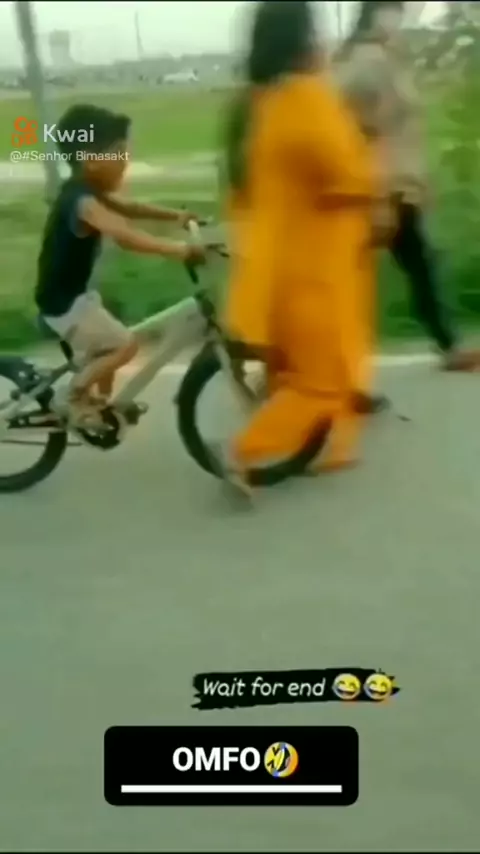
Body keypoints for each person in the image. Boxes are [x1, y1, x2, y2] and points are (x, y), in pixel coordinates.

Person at [219, 0, 386, 503]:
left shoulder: (259, 103)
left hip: (273, 263)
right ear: (303, 42)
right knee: (324, 381)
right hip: (312, 269)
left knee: (299, 370)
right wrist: (373, 170)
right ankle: (243, 452)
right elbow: (348, 174)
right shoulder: (305, 99)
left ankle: (327, 448)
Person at [333, 0, 480, 374]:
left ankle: (446, 344)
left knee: (409, 264)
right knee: (408, 265)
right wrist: (382, 193)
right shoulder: (366, 62)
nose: (399, 18)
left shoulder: (384, 57)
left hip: (394, 185)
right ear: (374, 13)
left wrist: (417, 181)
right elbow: (364, 130)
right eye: (392, 9)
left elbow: (402, 129)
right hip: (379, 187)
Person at [35, 104, 204, 426]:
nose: (126, 161)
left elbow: (131, 209)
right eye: (119, 154)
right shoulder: (83, 202)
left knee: (108, 350)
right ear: (91, 160)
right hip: (64, 305)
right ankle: (72, 396)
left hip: (76, 296)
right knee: (125, 346)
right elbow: (124, 235)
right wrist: (179, 250)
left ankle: (99, 407)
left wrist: (177, 216)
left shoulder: (88, 190)